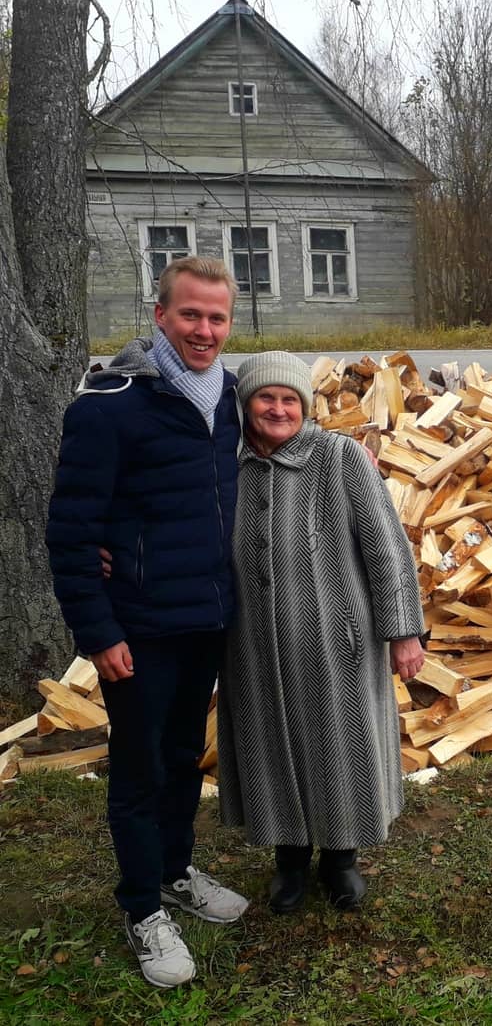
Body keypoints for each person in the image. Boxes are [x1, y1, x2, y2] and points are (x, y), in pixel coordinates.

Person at [46, 256, 250, 989]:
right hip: (139, 628)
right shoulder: (109, 405)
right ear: (160, 314)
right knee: (136, 772)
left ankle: (172, 871)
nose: (204, 329)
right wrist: (98, 632)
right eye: (190, 314)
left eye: (217, 317)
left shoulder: (228, 396)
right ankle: (141, 908)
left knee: (179, 761)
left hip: (206, 618)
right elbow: (71, 533)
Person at [217, 351, 425, 915]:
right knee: (268, 744)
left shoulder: (338, 457)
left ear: (306, 407)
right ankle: (288, 860)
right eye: (266, 398)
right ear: (246, 404)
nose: (278, 409)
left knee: (340, 745)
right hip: (252, 643)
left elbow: (386, 546)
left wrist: (404, 631)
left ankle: (341, 858)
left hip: (337, 639)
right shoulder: (226, 463)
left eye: (290, 399)